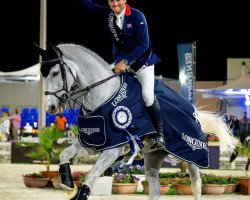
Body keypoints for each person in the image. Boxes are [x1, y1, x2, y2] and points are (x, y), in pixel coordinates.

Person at [78, 0, 165, 149]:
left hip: (143, 64)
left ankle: (160, 134)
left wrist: (126, 61)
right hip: (121, 62)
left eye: (118, 0)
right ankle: (112, 133)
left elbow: (144, 44)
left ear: (125, 0)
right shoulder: (110, 15)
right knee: (104, 83)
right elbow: (92, 7)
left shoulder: (137, 16)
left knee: (147, 96)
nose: (115, 3)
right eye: (111, 0)